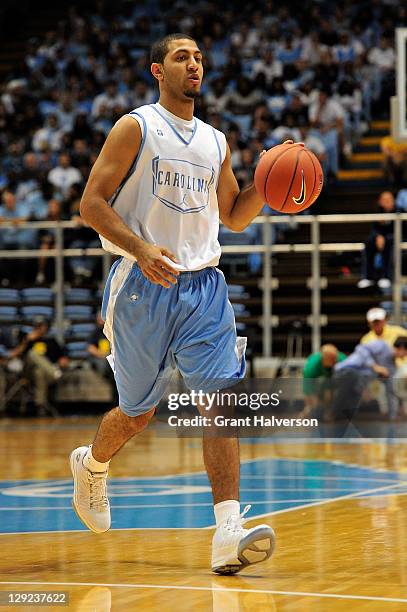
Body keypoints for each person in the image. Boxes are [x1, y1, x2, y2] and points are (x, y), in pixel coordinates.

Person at [70, 33, 278, 575]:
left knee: (220, 401)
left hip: (204, 285)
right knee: (138, 414)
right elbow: (91, 203)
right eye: (182, 56)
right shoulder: (136, 127)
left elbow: (232, 215)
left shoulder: (215, 140)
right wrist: (139, 249)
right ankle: (92, 465)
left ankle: (227, 532)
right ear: (157, 70)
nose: (194, 64)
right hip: (141, 282)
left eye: (199, 57)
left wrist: (268, 183)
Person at [332, 337, 407, 421]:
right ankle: (331, 414)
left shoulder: (391, 368)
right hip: (345, 371)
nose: (405, 356)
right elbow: (360, 349)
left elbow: (390, 391)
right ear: (402, 348)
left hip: (357, 387)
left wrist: (392, 416)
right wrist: (374, 366)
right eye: (406, 352)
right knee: (351, 379)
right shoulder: (382, 345)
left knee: (351, 409)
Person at [10, 318, 69, 414]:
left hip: (44, 374)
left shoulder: (51, 341)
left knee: (39, 372)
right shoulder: (27, 339)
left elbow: (62, 358)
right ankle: (54, 372)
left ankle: (40, 406)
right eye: (37, 326)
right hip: (27, 371)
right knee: (33, 354)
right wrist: (26, 341)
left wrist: (63, 361)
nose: (39, 328)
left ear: (46, 327)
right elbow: (15, 355)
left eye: (42, 326)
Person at [357, 191, 399, 289]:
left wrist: (384, 238)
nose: (387, 202)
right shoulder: (377, 211)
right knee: (368, 243)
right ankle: (367, 277)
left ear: (393, 201)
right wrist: (378, 236)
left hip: (395, 237)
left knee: (389, 242)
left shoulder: (399, 211)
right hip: (380, 239)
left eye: (389, 200)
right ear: (380, 201)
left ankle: (386, 277)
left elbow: (401, 230)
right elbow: (374, 229)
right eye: (384, 200)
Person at [301, 344, 346, 418]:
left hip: (336, 380)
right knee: (313, 404)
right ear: (323, 358)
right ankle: (308, 410)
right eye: (331, 359)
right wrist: (310, 404)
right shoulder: (312, 366)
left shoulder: (342, 360)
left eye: (334, 358)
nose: (334, 361)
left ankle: (331, 411)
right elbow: (307, 389)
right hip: (319, 382)